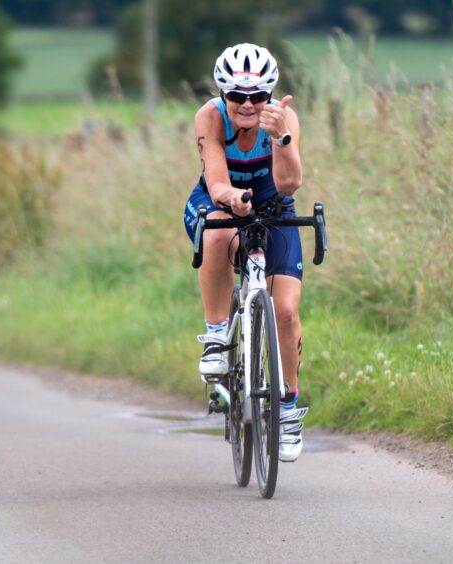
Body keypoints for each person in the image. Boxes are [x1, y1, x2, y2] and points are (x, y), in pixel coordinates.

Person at [183, 43, 307, 462]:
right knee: (217, 235)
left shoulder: (283, 118)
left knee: (286, 312)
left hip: (273, 206)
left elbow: (290, 184)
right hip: (218, 201)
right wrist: (231, 198)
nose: (248, 105)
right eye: (237, 95)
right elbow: (215, 180)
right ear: (223, 94)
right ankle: (217, 335)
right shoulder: (209, 117)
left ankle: (287, 410)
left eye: (258, 96)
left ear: (270, 95)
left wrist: (281, 138)